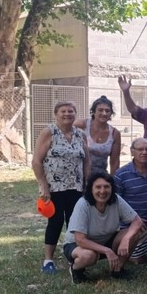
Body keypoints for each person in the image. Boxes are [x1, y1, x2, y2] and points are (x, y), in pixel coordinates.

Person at [32, 101, 90, 274]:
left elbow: (87, 161)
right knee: (55, 221)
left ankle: (74, 255)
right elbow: (36, 161)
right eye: (63, 111)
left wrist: (87, 183)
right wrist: (43, 185)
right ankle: (48, 260)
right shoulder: (49, 132)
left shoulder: (80, 134)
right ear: (55, 114)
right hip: (55, 187)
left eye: (71, 111)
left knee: (75, 222)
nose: (67, 114)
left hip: (76, 186)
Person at [64, 172, 144, 284]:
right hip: (78, 245)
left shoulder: (116, 200)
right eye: (98, 187)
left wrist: (126, 239)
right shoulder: (83, 204)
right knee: (89, 255)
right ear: (91, 189)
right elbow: (80, 240)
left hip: (106, 240)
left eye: (106, 187)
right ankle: (76, 269)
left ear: (112, 188)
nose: (102, 191)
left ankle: (117, 269)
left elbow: (137, 221)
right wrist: (107, 251)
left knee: (134, 233)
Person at [73, 95, 120, 175]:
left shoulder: (114, 133)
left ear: (111, 114)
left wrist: (113, 180)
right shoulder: (81, 125)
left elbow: (114, 162)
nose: (104, 113)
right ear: (94, 112)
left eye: (107, 111)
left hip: (99, 176)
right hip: (77, 174)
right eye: (100, 110)